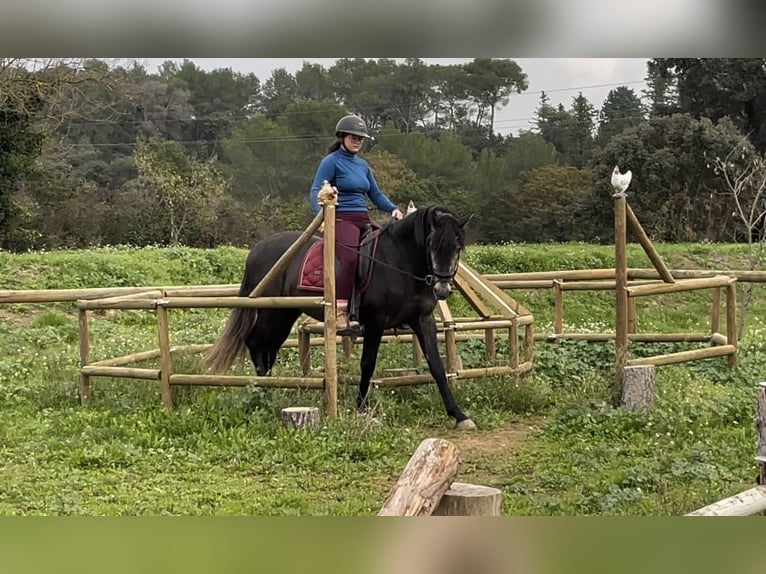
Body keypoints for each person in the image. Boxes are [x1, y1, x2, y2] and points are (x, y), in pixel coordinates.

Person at [309, 114, 404, 330]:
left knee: (387, 253)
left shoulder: (363, 165)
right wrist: (321, 216)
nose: (358, 141)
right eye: (354, 137)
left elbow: (376, 194)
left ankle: (386, 308)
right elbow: (316, 189)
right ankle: (340, 310)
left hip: (363, 218)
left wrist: (393, 208)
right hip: (341, 218)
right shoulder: (331, 161)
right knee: (351, 258)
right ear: (342, 137)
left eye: (361, 138)